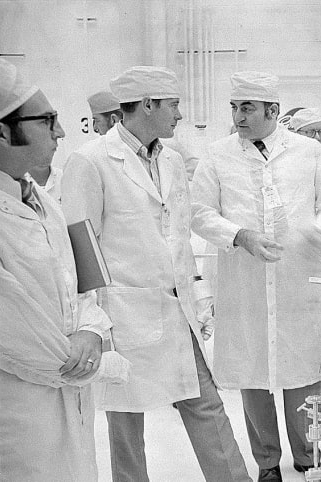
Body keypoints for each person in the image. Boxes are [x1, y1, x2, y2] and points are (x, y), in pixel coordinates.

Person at [62, 66, 250, 482]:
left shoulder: (171, 159)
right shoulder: (90, 161)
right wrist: (91, 322)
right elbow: (79, 249)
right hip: (123, 315)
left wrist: (197, 296)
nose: (179, 114)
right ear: (147, 105)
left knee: (207, 406)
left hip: (175, 307)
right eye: (173, 105)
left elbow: (178, 236)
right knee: (126, 427)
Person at [190, 71, 321, 481]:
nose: (238, 116)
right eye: (235, 107)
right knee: (253, 373)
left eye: (248, 108)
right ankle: (267, 464)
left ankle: (307, 457)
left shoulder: (310, 153)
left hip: (300, 278)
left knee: (302, 373)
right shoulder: (217, 155)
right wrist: (239, 235)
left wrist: (312, 230)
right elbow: (200, 212)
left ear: (272, 111)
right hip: (245, 281)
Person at [0, 58, 115, 481]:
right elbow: (12, 330)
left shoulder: (43, 199)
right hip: (18, 410)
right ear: (1, 131)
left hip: (70, 402)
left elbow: (81, 285)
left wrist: (90, 330)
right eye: (47, 120)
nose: (62, 132)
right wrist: (98, 362)